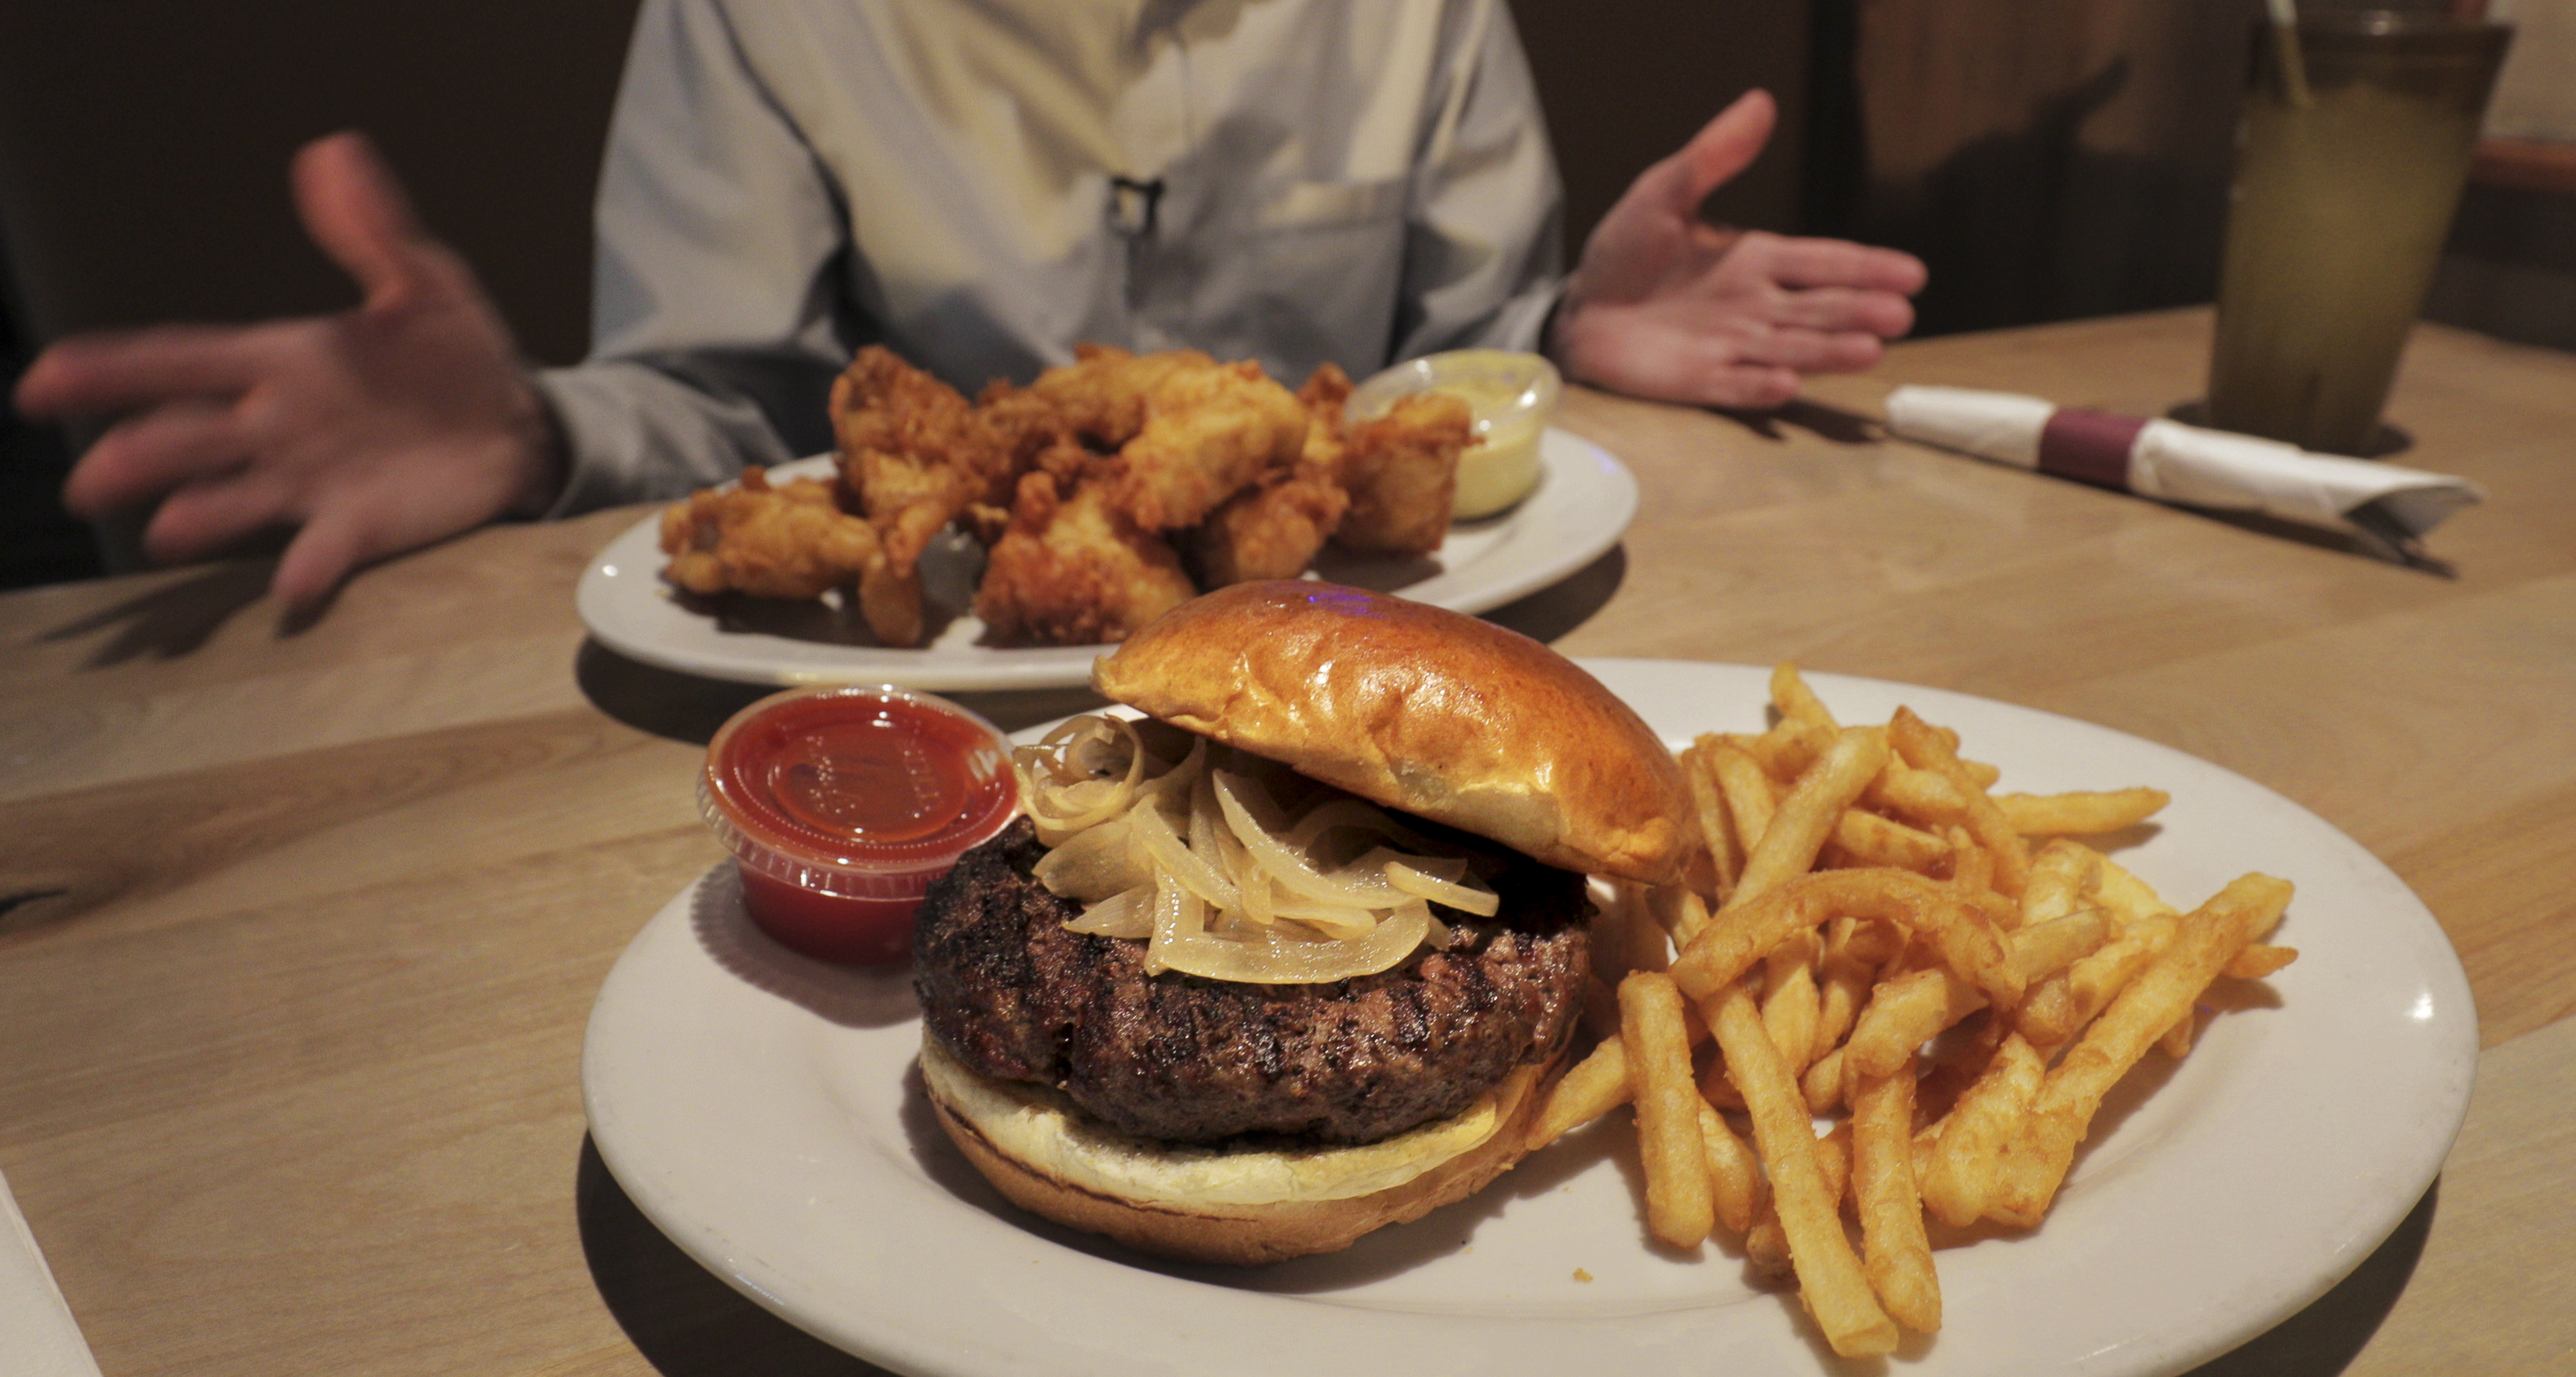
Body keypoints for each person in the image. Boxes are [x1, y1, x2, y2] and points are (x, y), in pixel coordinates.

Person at [13, 0, 1924, 616]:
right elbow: (724, 408)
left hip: (1344, 675)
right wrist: (534, 430)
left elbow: (1438, 380)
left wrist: (1564, 332)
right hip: (935, 710)